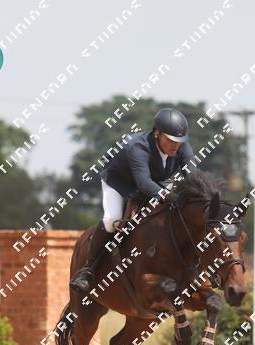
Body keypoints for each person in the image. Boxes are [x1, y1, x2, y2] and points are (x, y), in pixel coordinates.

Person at [70, 107, 195, 293]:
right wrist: (169, 196)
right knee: (112, 219)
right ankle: (87, 270)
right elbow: (143, 183)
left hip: (156, 182)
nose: (175, 145)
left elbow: (192, 177)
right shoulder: (138, 146)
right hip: (120, 183)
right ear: (157, 133)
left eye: (178, 141)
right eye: (170, 140)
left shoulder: (182, 147)